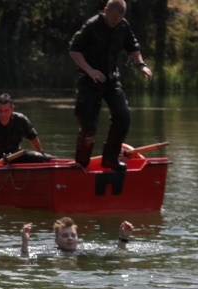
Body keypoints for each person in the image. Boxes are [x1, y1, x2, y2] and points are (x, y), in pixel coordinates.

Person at [68, 0, 152, 171]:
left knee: (123, 116)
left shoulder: (123, 26)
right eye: (112, 19)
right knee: (88, 128)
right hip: (89, 81)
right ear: (105, 10)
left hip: (111, 80)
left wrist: (141, 64)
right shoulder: (92, 25)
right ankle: (81, 164)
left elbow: (133, 45)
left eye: (118, 19)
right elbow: (74, 50)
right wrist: (90, 70)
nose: (115, 22)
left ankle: (110, 159)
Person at [21, 218, 134, 255]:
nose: (70, 238)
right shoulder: (50, 252)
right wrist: (25, 242)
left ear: (77, 238)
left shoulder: (86, 249)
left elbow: (118, 251)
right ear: (56, 241)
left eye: (73, 235)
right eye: (65, 236)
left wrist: (124, 238)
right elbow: (26, 254)